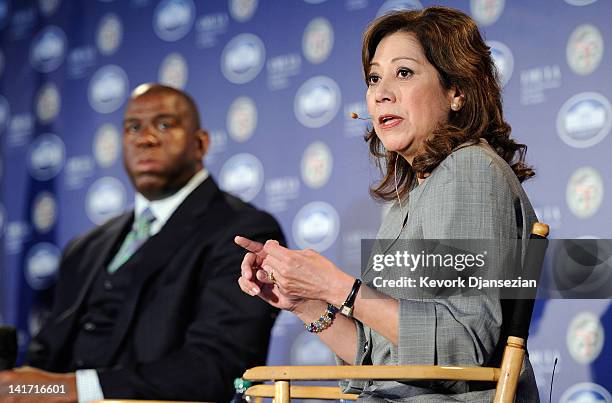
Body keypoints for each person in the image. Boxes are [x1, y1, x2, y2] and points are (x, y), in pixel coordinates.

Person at [236, 6, 539, 402]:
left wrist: (335, 285)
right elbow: (383, 361)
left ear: (456, 91)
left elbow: (464, 345)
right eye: (375, 77)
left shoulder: (470, 170)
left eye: (404, 73)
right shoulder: (409, 198)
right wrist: (306, 303)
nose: (381, 93)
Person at [0, 83, 284, 402]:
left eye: (164, 124)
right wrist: (20, 387)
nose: (145, 138)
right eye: (133, 127)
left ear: (201, 143)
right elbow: (43, 362)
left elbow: (215, 368)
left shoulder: (243, 232)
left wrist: (71, 390)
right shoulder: (86, 247)